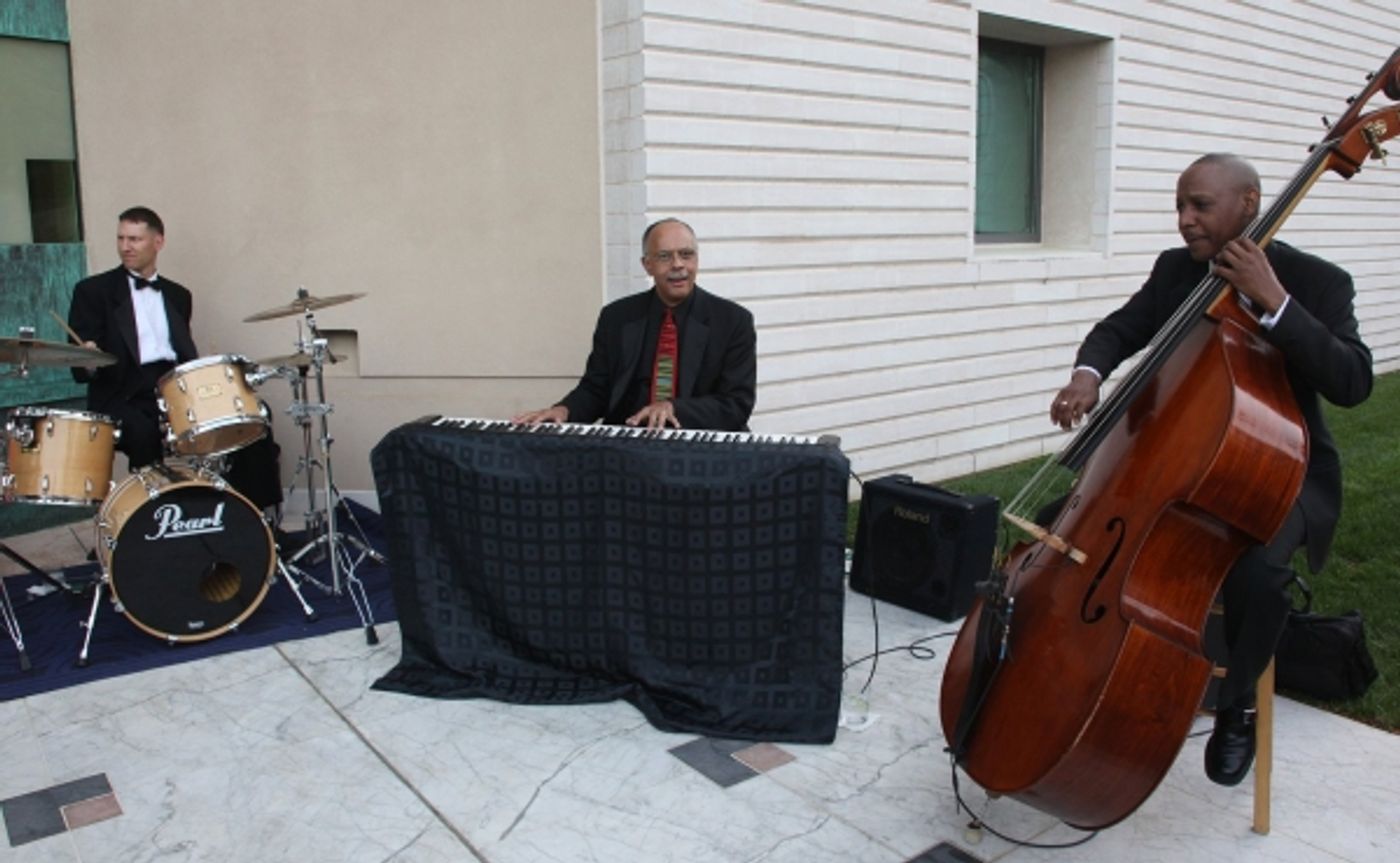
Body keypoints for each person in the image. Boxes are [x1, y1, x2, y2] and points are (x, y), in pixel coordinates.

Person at [1048, 154, 1372, 787]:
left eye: (1199, 205)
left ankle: (1237, 705)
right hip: (1179, 459)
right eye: (1180, 206)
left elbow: (1353, 381)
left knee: (1256, 572)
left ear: (1248, 203)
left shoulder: (1319, 281)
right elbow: (1122, 328)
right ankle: (1080, 676)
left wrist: (1274, 300)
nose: (1185, 220)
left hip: (1276, 468)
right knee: (1060, 528)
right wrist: (1088, 374)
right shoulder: (1177, 270)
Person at [68, 206, 282, 510]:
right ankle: (150, 522)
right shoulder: (93, 291)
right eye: (121, 238)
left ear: (158, 242)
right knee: (144, 433)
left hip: (172, 390)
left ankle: (255, 515)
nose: (125, 247)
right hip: (122, 394)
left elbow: (183, 354)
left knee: (254, 418)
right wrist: (87, 361)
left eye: (135, 239)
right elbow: (79, 366)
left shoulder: (178, 295)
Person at [514, 218, 756, 430]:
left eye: (686, 254)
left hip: (703, 450)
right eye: (664, 256)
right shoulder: (617, 317)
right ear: (647, 265)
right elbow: (595, 389)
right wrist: (564, 411)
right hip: (630, 446)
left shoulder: (733, 321)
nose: (678, 265)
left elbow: (736, 404)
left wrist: (672, 408)